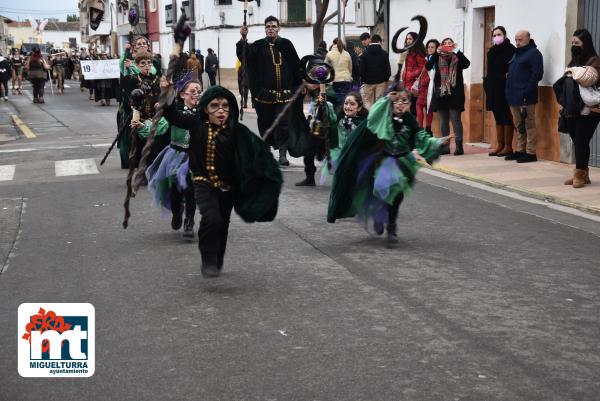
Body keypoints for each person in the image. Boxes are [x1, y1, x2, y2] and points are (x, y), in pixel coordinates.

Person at [161, 83, 283, 278]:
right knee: (212, 218)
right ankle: (208, 258)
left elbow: (259, 156)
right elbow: (173, 115)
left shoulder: (238, 131)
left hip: (228, 186)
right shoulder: (196, 123)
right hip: (203, 181)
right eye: (214, 106)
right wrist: (167, 94)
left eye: (225, 106)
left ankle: (217, 259)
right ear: (205, 109)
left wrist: (263, 169)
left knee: (223, 224)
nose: (221, 111)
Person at [327, 86, 449, 243]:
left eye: (404, 101)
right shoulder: (384, 117)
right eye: (396, 100)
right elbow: (373, 117)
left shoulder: (410, 120)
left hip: (402, 161)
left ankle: (391, 226)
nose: (400, 104)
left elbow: (422, 138)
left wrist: (438, 142)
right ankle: (379, 216)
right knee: (380, 192)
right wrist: (385, 100)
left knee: (397, 195)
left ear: (409, 104)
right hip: (383, 160)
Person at [237, 15, 309, 167]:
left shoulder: (286, 44)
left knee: (283, 123)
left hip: (285, 94)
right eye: (268, 27)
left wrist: (301, 83)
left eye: (273, 26)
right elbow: (245, 56)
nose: (271, 29)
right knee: (266, 123)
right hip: (265, 94)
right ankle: (268, 151)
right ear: (265, 29)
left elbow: (296, 65)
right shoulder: (258, 46)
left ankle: (282, 154)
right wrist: (243, 38)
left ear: (278, 28)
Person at [146, 78, 201, 239]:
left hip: (195, 158)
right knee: (175, 191)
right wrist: (165, 97)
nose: (196, 94)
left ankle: (189, 222)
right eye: (192, 91)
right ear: (183, 94)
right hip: (175, 157)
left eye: (199, 91)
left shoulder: (203, 112)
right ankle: (177, 212)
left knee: (191, 190)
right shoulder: (176, 110)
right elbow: (169, 115)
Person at [561, 29, 600, 188]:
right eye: (572, 43)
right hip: (573, 107)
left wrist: (574, 73)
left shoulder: (594, 61)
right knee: (577, 141)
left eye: (577, 43)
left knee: (581, 140)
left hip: (590, 109)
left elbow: (589, 79)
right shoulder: (574, 61)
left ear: (586, 44)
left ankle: (579, 174)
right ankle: (583, 173)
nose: (574, 46)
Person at [120, 50, 170, 169]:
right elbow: (128, 98)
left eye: (149, 63)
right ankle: (142, 171)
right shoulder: (132, 80)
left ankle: (153, 169)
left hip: (155, 117)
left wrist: (161, 101)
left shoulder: (156, 79)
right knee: (141, 147)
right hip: (140, 117)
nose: (146, 66)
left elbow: (163, 95)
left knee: (156, 146)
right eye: (143, 63)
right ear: (137, 65)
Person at [426, 37, 471, 155]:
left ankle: (459, 146)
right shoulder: (437, 57)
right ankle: (445, 146)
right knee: (443, 120)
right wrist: (436, 52)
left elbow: (467, 64)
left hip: (455, 93)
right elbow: (428, 66)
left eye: (449, 43)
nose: (447, 45)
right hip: (441, 92)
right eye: (444, 43)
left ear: (453, 45)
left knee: (455, 119)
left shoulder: (457, 57)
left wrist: (458, 51)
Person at [505, 30, 544, 163]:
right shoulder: (516, 53)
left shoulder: (534, 53)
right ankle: (520, 150)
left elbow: (537, 74)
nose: (517, 42)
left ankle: (531, 153)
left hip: (526, 97)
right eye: (516, 39)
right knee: (518, 124)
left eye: (520, 39)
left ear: (528, 39)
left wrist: (526, 91)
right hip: (514, 95)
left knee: (529, 124)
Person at [320, 91, 368, 183]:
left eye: (352, 104)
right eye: (346, 103)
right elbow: (330, 117)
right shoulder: (339, 118)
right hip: (341, 155)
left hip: (356, 157)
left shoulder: (362, 123)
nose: (348, 106)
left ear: (359, 108)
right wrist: (325, 103)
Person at [485, 26, 516, 157]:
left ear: (504, 35)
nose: (497, 37)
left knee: (506, 114)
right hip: (493, 87)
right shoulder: (491, 51)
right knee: (497, 115)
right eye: (494, 35)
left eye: (499, 34)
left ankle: (508, 146)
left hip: (505, 86)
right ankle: (500, 145)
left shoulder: (511, 49)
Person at [360, 34, 391, 110]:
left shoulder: (365, 54)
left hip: (368, 82)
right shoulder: (384, 53)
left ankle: (370, 114)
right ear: (379, 41)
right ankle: (377, 116)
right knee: (379, 101)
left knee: (367, 100)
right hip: (381, 81)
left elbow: (361, 70)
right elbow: (387, 69)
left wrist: (364, 79)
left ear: (371, 41)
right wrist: (386, 80)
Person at [416, 39, 439, 134]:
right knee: (427, 107)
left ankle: (422, 129)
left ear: (437, 48)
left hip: (429, 87)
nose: (429, 49)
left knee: (423, 106)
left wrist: (422, 81)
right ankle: (427, 130)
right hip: (424, 87)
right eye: (428, 47)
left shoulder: (434, 59)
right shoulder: (428, 58)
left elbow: (432, 74)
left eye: (432, 47)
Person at [401, 32, 427, 115]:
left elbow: (423, 68)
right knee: (408, 108)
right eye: (407, 39)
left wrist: (411, 75)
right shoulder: (408, 52)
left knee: (413, 109)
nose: (408, 41)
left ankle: (415, 127)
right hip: (407, 83)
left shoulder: (418, 52)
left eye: (410, 39)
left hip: (414, 85)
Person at [325, 38, 353, 105]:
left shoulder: (329, 54)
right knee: (345, 101)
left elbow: (325, 68)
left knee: (334, 101)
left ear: (333, 43)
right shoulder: (347, 54)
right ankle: (344, 113)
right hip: (346, 80)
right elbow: (350, 68)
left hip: (334, 80)